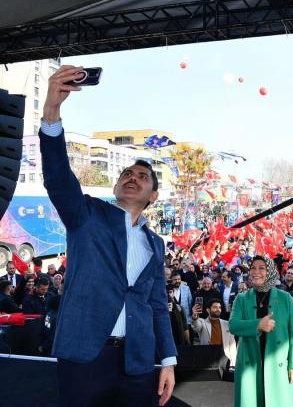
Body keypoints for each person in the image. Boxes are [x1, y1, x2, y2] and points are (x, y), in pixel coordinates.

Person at [40, 65, 176, 407]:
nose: (132, 177)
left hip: (138, 363)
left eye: (142, 176)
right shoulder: (86, 214)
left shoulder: (155, 244)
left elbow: (158, 304)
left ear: (153, 196)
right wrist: (52, 112)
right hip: (86, 357)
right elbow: (58, 177)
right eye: (127, 173)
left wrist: (169, 361)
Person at [229, 256, 293, 407]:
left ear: (270, 271)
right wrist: (258, 325)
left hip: (279, 363)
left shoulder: (285, 298)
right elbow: (233, 326)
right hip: (249, 363)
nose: (256, 272)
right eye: (253, 268)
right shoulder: (241, 298)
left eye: (262, 268)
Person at [191, 299, 237, 368]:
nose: (218, 309)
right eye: (215, 307)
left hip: (225, 361)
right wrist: (194, 317)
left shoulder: (227, 324)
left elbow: (232, 345)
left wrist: (233, 364)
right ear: (208, 310)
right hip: (207, 362)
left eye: (219, 307)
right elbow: (196, 326)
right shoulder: (202, 322)